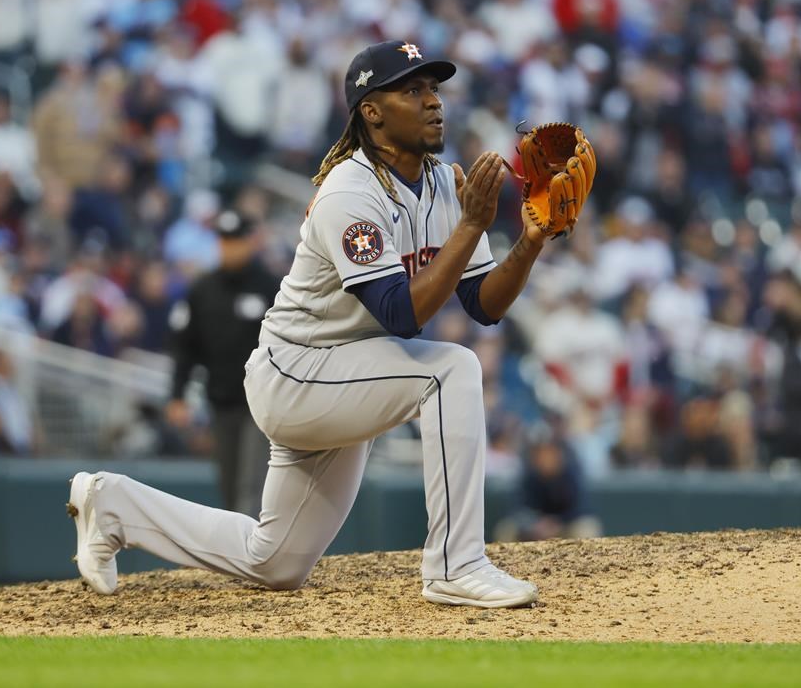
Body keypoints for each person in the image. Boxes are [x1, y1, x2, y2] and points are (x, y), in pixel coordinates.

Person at [69, 40, 573, 608]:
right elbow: (401, 314)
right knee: (450, 370)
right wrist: (470, 228)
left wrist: (529, 243)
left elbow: (484, 303)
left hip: (350, 373)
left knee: (277, 561)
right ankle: (457, 564)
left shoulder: (439, 185)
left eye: (434, 88)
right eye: (413, 89)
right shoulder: (349, 192)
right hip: (298, 372)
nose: (434, 101)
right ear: (372, 112)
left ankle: (112, 504)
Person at [167, 208, 280, 516]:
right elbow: (185, 347)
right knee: (229, 485)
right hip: (220, 399)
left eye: (236, 240)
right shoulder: (202, 290)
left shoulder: (270, 286)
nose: (229, 247)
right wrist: (177, 394)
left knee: (251, 485)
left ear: (250, 242)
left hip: (261, 403)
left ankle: (250, 558)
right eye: (224, 240)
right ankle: (239, 555)